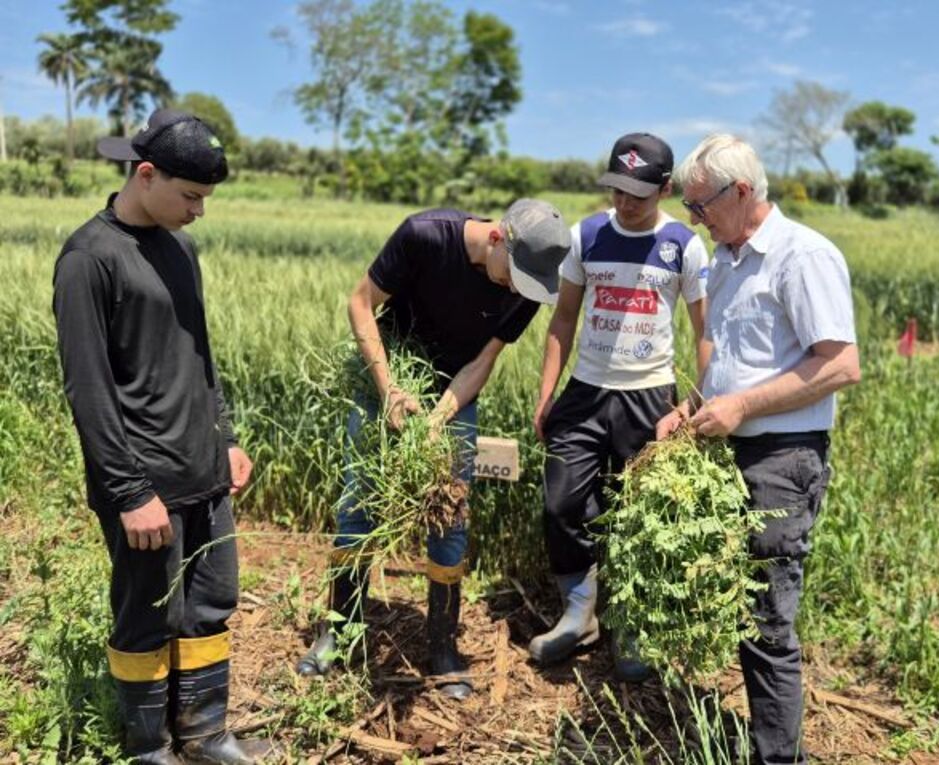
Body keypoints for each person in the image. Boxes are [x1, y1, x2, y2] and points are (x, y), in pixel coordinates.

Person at [52, 110, 271, 764]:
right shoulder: (89, 258)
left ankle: (206, 735)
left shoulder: (181, 247)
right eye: (191, 196)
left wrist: (225, 438)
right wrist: (127, 490)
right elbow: (88, 390)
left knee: (210, 604)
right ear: (145, 174)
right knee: (148, 614)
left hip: (204, 469)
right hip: (143, 484)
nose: (199, 211)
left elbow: (199, 355)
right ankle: (150, 746)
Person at [295, 200, 571, 699]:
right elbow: (360, 303)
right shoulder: (424, 236)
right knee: (358, 501)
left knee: (449, 510)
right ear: (495, 239)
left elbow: (484, 360)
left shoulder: (527, 285)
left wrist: (438, 419)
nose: (516, 288)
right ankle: (338, 632)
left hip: (454, 391)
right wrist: (391, 390)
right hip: (388, 374)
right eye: (514, 275)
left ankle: (442, 646)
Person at [662, 133, 861, 765]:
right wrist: (692, 407)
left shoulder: (801, 257)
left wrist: (742, 407)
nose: (696, 219)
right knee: (746, 610)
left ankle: (779, 758)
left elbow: (841, 365)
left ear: (742, 191)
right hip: (733, 452)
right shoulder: (725, 258)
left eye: (701, 206)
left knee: (769, 619)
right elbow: (728, 359)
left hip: (783, 458)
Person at [528, 133, 711, 681]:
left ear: (664, 188)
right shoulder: (586, 235)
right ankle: (579, 613)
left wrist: (698, 402)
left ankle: (632, 623)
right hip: (586, 392)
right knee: (561, 503)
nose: (625, 203)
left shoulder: (683, 244)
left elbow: (706, 332)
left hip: (651, 398)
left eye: (637, 193)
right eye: (616, 191)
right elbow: (563, 320)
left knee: (637, 516)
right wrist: (546, 394)